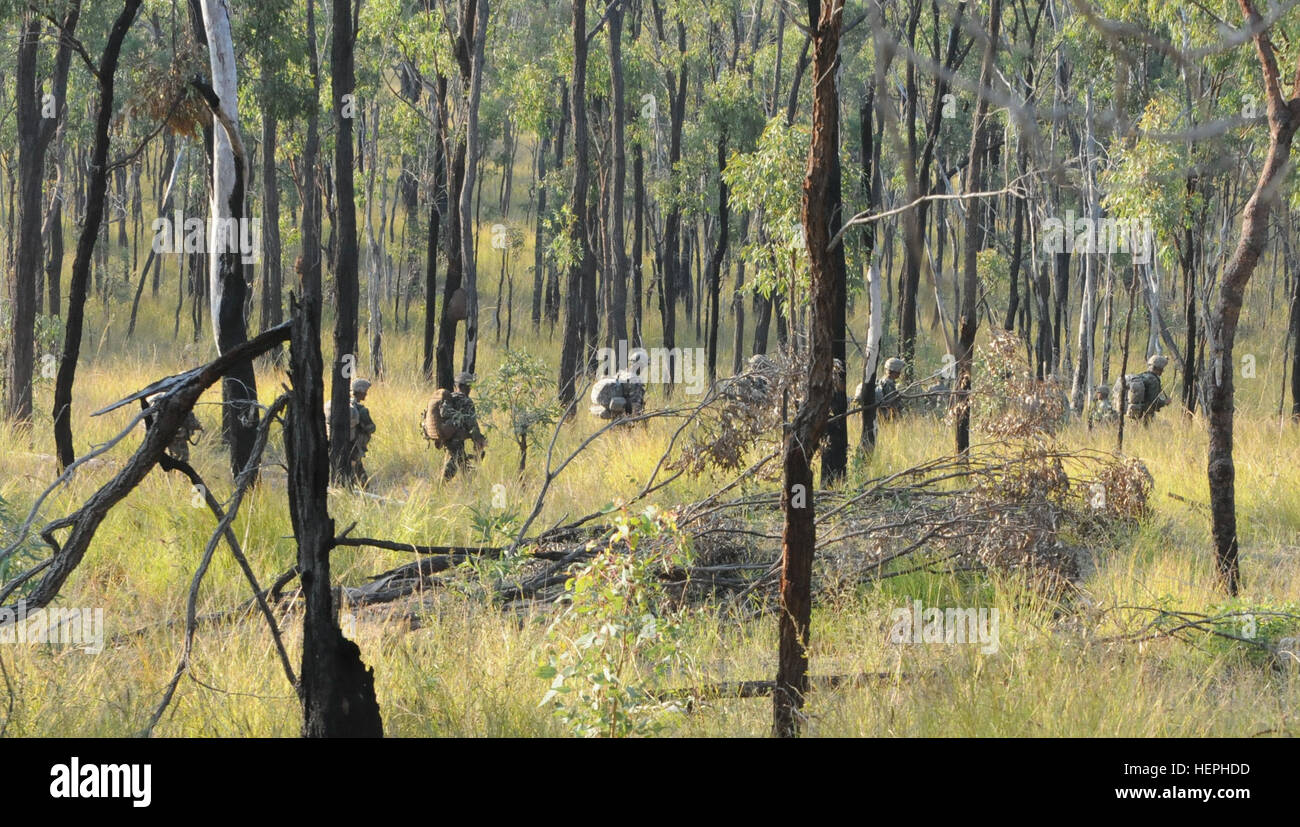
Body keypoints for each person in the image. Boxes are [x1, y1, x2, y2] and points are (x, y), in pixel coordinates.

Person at [436, 372, 486, 481]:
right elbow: (472, 424)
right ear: (463, 386)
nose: (470, 389)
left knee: (462, 463)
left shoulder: (449, 398)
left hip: (447, 437)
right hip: (456, 439)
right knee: (453, 465)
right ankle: (439, 487)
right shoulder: (466, 401)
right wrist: (478, 439)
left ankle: (466, 487)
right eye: (469, 386)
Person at [326, 379, 376, 485]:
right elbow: (371, 428)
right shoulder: (360, 410)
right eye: (365, 391)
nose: (366, 394)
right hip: (353, 447)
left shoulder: (337, 404)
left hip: (335, 445)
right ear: (360, 391)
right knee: (358, 474)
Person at [1114, 354, 1171, 423]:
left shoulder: (1142, 376)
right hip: (1145, 415)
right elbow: (1154, 403)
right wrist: (1164, 402)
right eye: (1162, 368)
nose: (1163, 370)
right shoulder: (1153, 381)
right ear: (1159, 368)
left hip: (1137, 412)